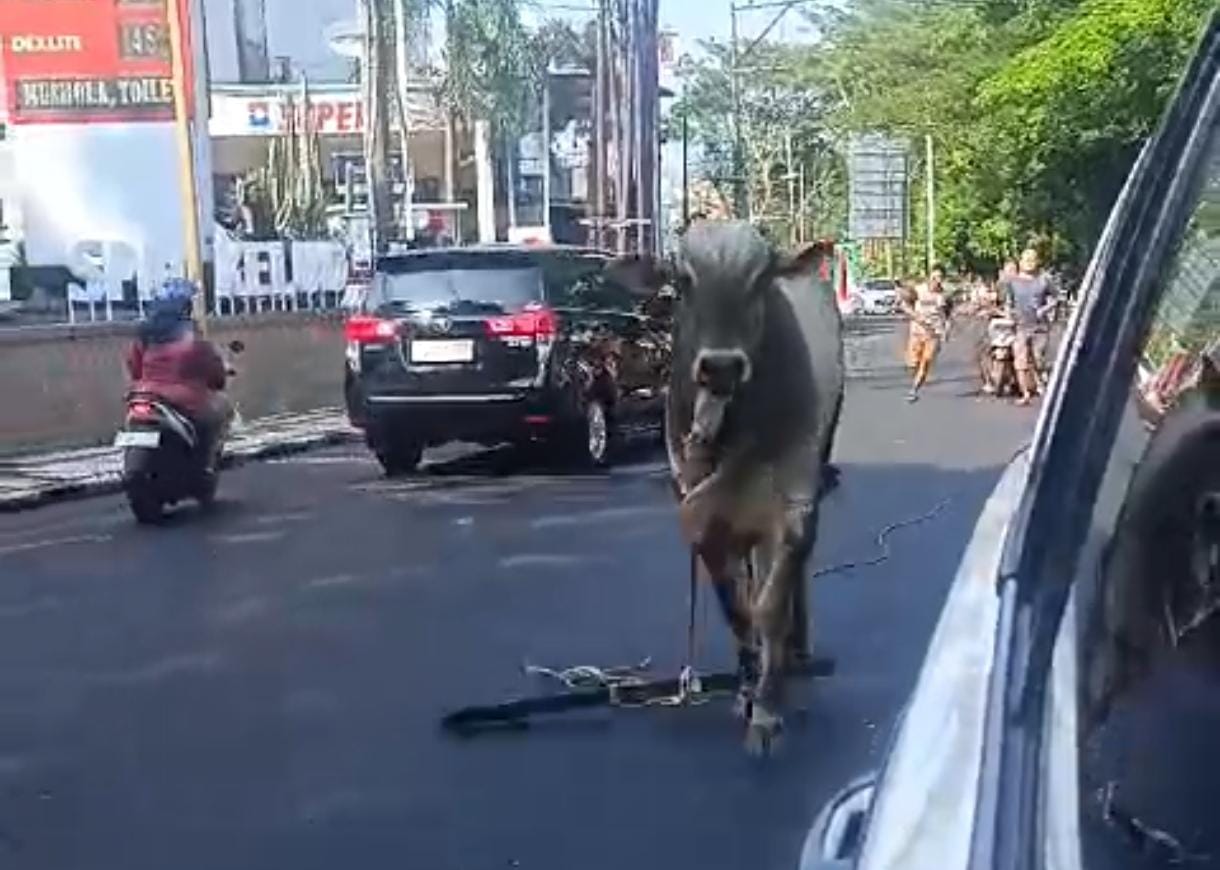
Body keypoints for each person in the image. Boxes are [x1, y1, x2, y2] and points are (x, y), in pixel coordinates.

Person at [125, 278, 233, 469]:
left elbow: (134, 368)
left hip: (144, 394)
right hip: (183, 400)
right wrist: (218, 378)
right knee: (218, 413)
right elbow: (213, 371)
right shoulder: (191, 337)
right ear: (185, 307)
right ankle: (204, 464)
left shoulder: (144, 336)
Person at [998, 248, 1057, 405]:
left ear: (1037, 262)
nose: (1029, 262)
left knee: (1038, 358)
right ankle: (1025, 393)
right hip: (1020, 327)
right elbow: (1008, 301)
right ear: (1020, 262)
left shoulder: (1044, 280)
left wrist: (1044, 309)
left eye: (1032, 259)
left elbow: (1055, 299)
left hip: (1039, 327)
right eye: (1026, 259)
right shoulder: (1013, 282)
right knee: (1020, 361)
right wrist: (1008, 313)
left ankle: (1041, 380)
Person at [901, 265, 952, 403]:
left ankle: (913, 390)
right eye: (934, 277)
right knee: (913, 363)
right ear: (929, 276)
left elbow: (948, 315)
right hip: (917, 332)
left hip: (934, 333)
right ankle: (914, 375)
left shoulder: (945, 295)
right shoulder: (918, 290)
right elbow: (905, 306)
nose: (937, 280)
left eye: (940, 277)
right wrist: (917, 316)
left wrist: (946, 331)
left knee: (926, 361)